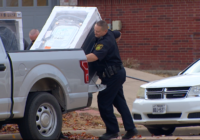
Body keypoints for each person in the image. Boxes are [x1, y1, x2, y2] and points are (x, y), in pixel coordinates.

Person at [86, 20, 138, 140]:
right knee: (119, 102)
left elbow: (94, 57)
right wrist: (116, 40)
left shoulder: (105, 42)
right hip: (115, 74)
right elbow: (118, 34)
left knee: (104, 102)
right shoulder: (110, 34)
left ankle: (112, 131)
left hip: (112, 76)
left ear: (104, 31)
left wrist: (77, 57)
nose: (95, 33)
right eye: (95, 30)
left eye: (98, 32)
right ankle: (131, 129)